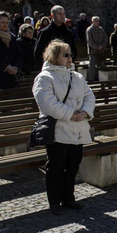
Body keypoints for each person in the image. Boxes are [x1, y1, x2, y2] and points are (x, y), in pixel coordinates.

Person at [33, 39, 95, 216]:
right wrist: (70, 114)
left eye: (70, 55)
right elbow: (47, 104)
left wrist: (85, 111)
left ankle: (69, 198)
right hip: (58, 130)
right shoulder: (44, 78)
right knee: (56, 166)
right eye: (65, 55)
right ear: (54, 57)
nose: (70, 58)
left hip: (78, 129)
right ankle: (54, 201)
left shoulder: (76, 77)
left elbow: (89, 96)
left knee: (73, 165)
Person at [86, 16, 108, 82]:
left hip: (101, 50)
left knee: (100, 64)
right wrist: (97, 46)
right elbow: (89, 41)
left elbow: (105, 38)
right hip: (93, 51)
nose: (97, 22)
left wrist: (102, 46)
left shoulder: (101, 29)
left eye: (98, 20)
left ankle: (100, 78)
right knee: (92, 65)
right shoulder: (89, 30)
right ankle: (91, 78)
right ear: (92, 21)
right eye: (95, 20)